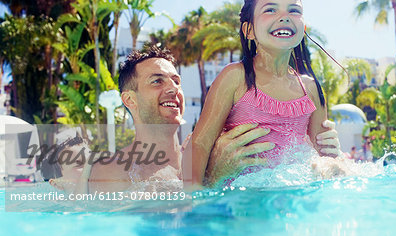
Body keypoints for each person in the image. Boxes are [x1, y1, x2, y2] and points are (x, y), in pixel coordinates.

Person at [87, 45, 341, 192]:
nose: (173, 89)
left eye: (177, 81)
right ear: (129, 99)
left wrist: (321, 154)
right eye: (157, 81)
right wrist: (212, 178)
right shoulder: (114, 170)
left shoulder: (211, 152)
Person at [189, 0, 345, 187]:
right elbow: (200, 144)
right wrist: (194, 200)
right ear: (249, 30)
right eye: (270, 9)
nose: (284, 17)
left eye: (294, 10)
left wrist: (334, 161)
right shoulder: (235, 78)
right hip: (239, 202)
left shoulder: (310, 89)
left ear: (303, 28)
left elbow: (325, 157)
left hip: (291, 199)